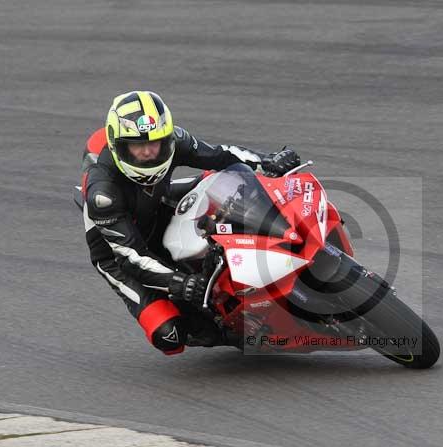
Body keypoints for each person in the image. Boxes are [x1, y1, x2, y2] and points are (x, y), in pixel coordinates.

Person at [79, 90, 300, 355]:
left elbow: (220, 155)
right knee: (170, 333)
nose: (149, 152)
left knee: (226, 186)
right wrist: (179, 283)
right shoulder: (103, 193)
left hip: (156, 202)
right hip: (119, 254)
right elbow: (132, 257)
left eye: (156, 142)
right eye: (138, 146)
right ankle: (236, 334)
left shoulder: (173, 141)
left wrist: (267, 160)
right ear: (119, 147)